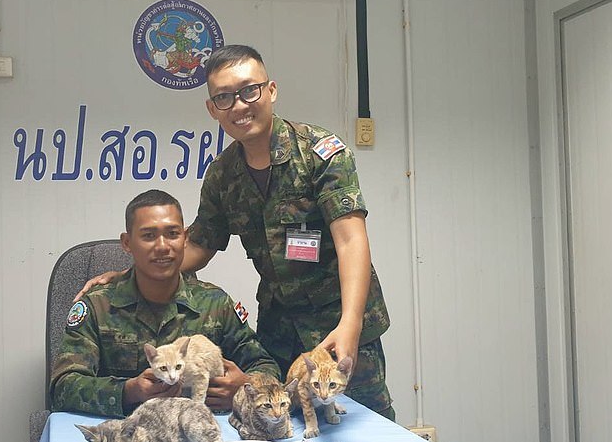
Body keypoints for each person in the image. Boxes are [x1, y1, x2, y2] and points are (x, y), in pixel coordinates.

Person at [78, 45, 396, 422]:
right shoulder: (223, 174)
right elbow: (198, 244)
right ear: (213, 109)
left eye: (250, 90)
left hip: (337, 328)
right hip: (281, 332)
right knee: (281, 428)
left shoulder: (319, 154)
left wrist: (351, 323)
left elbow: (350, 239)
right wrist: (132, 274)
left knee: (366, 432)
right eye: (225, 98)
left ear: (271, 90)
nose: (240, 105)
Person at [51, 188, 280, 417]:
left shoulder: (214, 304)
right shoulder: (99, 307)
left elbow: (266, 366)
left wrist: (246, 387)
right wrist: (128, 391)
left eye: (172, 234)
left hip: (202, 439)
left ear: (185, 238)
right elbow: (62, 386)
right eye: (148, 236)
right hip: (125, 437)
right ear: (127, 243)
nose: (162, 246)